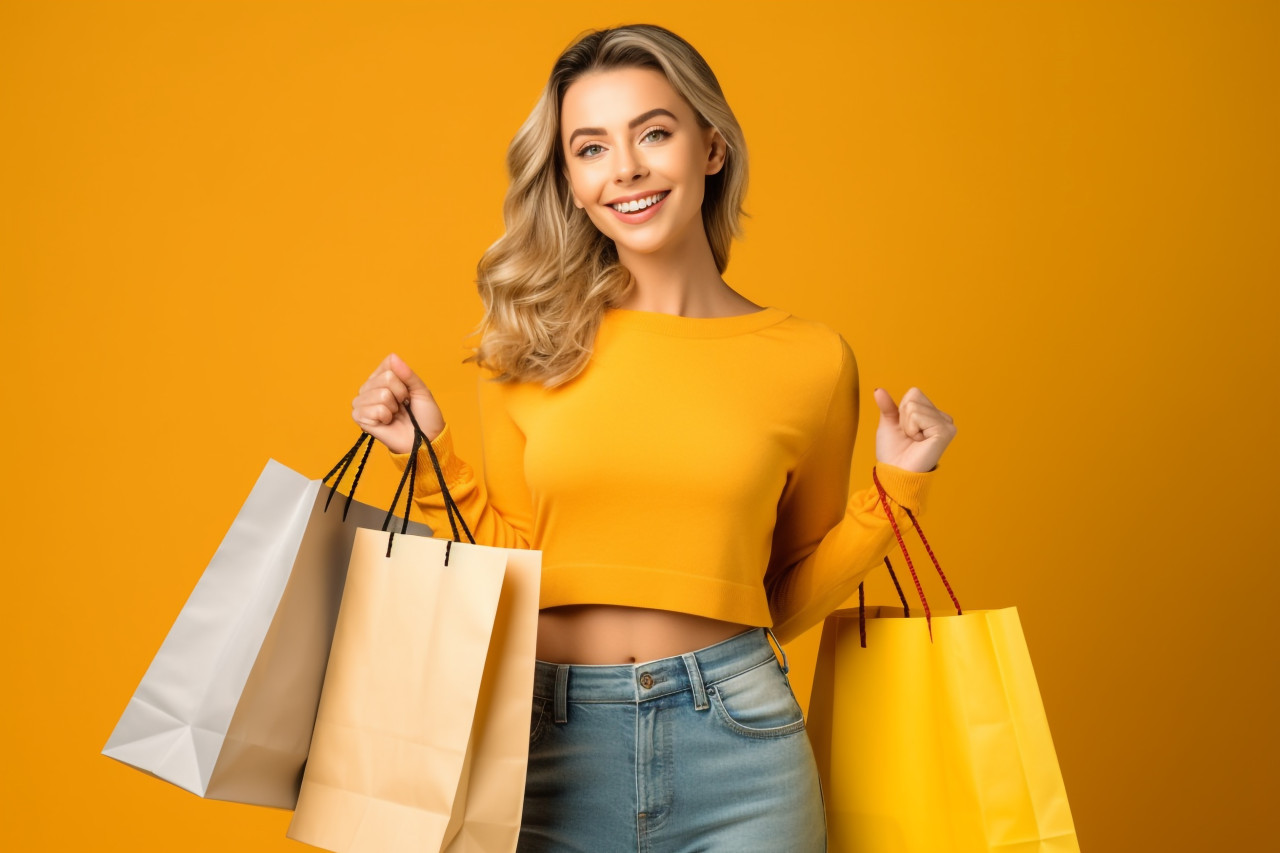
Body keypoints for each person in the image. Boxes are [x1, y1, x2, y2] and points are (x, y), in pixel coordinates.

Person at [349, 23, 957, 853]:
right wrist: (427, 460)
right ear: (570, 181)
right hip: (548, 747)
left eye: (654, 133)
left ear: (711, 147)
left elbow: (780, 596)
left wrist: (896, 492)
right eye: (591, 148)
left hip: (741, 748)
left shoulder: (812, 361)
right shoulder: (525, 350)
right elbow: (517, 570)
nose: (626, 168)